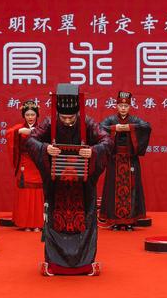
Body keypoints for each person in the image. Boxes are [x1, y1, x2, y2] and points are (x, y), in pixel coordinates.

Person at [26, 84, 111, 276]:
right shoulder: (50, 122)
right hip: (57, 184)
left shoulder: (87, 122)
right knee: (55, 219)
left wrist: (93, 151)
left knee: (85, 219)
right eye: (63, 118)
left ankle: (84, 262)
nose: (67, 121)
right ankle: (55, 263)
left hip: (82, 185)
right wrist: (45, 148)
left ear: (77, 113)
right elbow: (31, 140)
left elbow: (107, 141)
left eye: (71, 118)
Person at [98, 90, 152, 231]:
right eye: (121, 106)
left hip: (130, 159)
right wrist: (115, 128)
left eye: (126, 106)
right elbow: (100, 128)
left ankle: (130, 220)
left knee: (131, 188)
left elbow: (146, 126)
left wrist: (130, 128)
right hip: (114, 160)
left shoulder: (134, 120)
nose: (123, 108)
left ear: (129, 107)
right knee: (113, 189)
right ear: (116, 106)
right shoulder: (111, 120)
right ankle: (115, 220)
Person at [5, 100, 44, 231]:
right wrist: (19, 131)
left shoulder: (42, 128)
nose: (30, 117)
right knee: (25, 192)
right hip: (25, 163)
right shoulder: (19, 128)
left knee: (38, 192)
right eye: (27, 114)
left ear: (37, 115)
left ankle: (38, 223)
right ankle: (25, 223)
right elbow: (9, 133)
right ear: (24, 115)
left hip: (37, 163)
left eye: (33, 114)